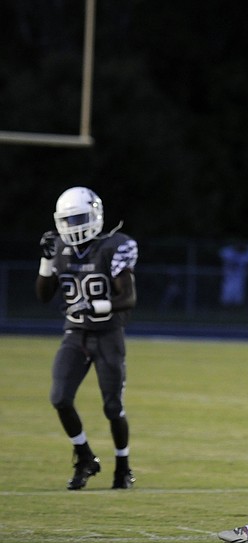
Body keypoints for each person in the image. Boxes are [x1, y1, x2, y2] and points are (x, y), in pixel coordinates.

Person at [35, 186, 138, 491]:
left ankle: (123, 467)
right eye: (67, 220)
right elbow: (43, 296)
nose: (73, 226)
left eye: (79, 218)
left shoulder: (114, 246)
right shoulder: (59, 248)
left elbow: (128, 298)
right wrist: (46, 262)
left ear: (95, 216)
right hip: (76, 333)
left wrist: (95, 305)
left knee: (112, 408)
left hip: (108, 334)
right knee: (59, 398)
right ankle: (85, 457)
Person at [218, 242, 248, 306]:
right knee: (226, 297)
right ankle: (225, 312)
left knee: (238, 298)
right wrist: (233, 246)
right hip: (228, 278)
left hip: (240, 279)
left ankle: (236, 312)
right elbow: (222, 252)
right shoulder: (229, 252)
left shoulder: (244, 256)